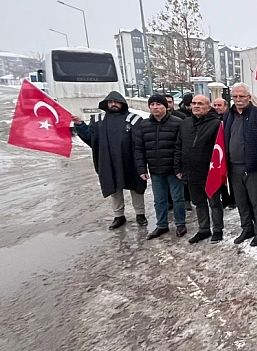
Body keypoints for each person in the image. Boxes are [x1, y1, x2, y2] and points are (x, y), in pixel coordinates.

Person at [73, 92, 148, 230]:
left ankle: (140, 214)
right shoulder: (98, 120)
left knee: (137, 188)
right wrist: (80, 125)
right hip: (108, 160)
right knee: (114, 188)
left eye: (116, 102)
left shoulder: (134, 119)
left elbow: (141, 142)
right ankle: (119, 215)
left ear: (122, 103)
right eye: (110, 102)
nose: (113, 104)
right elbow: (91, 137)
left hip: (131, 160)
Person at [223, 83, 257, 247]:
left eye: (241, 96)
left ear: (248, 97)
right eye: (235, 97)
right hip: (233, 166)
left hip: (253, 167)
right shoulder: (228, 115)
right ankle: (247, 228)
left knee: (256, 201)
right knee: (241, 201)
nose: (238, 100)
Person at [133, 95, 187, 240]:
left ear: (166, 107)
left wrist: (180, 168)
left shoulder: (177, 123)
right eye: (152, 104)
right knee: (159, 200)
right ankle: (162, 225)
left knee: (178, 198)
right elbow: (139, 149)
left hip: (174, 170)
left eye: (158, 104)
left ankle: (181, 223)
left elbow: (181, 147)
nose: (155, 107)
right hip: (155, 170)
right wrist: (142, 169)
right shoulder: (143, 125)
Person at [175, 95, 225, 244]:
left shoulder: (216, 124)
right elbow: (178, 146)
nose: (196, 106)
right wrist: (178, 168)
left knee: (214, 202)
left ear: (208, 107)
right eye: (194, 103)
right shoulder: (185, 123)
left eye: (200, 104)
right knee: (199, 202)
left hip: (210, 172)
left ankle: (217, 229)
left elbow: (220, 149)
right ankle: (203, 229)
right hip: (190, 171)